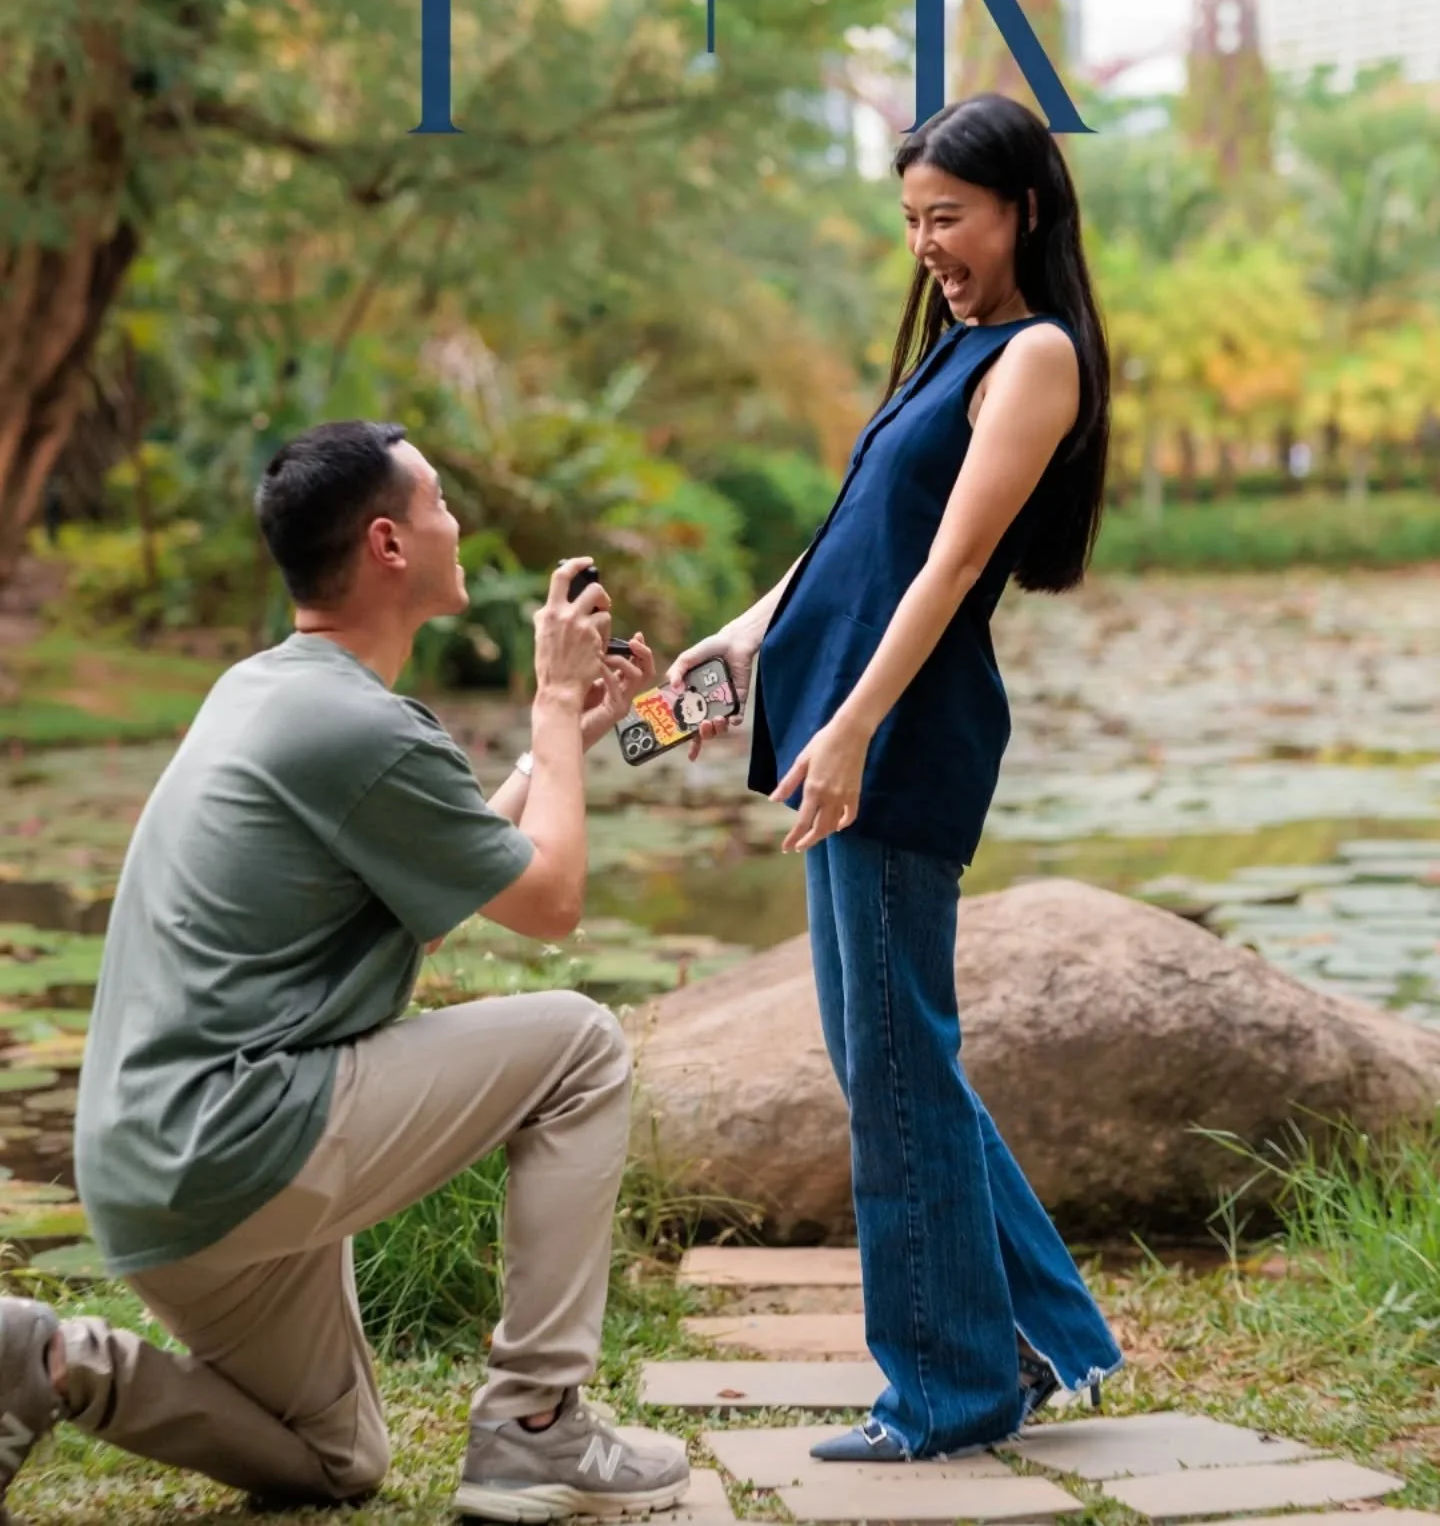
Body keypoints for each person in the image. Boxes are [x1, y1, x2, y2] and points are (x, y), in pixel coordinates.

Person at [0, 421, 691, 1522]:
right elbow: (553, 906)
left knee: (338, 1462)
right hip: (232, 1136)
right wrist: (555, 705)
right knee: (581, 1045)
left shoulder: (270, 690)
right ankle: (536, 1421)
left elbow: (449, 882)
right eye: (440, 506)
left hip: (147, 1170)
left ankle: (51, 1364)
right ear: (387, 543)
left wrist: (559, 744)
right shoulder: (354, 725)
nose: (457, 524)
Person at [669, 94, 1125, 1463]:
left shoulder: (1035, 356)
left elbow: (948, 566)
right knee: (898, 1057)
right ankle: (1041, 1338)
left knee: (893, 1062)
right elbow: (861, 531)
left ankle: (948, 1389)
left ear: (1024, 209)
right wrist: (749, 635)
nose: (928, 242)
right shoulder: (953, 348)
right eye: (914, 219)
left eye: (951, 216)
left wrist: (860, 722)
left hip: (904, 733)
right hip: (846, 715)